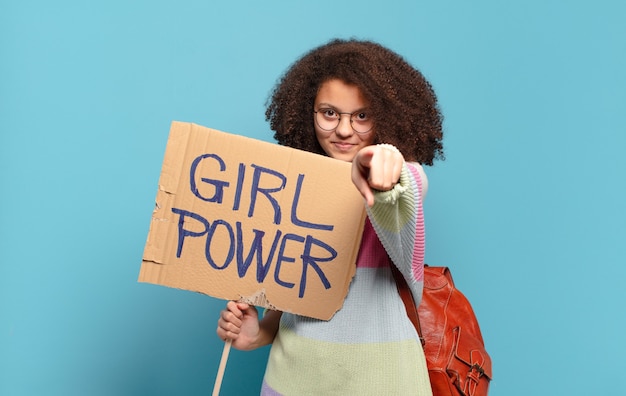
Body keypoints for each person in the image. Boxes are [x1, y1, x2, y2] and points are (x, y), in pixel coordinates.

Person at [216, 38, 444, 395]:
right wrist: (258, 334)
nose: (343, 129)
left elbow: (405, 187)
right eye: (329, 113)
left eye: (363, 116)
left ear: (389, 116)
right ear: (308, 112)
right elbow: (293, 291)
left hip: (383, 384)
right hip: (291, 380)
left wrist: (383, 162)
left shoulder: (398, 185)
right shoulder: (292, 190)